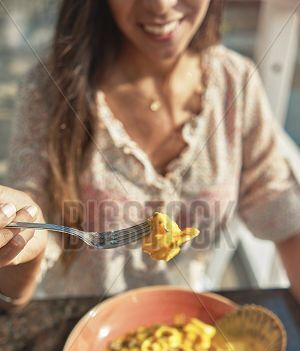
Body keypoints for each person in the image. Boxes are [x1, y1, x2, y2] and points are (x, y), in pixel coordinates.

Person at [0, 0, 300, 311]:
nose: (161, 6)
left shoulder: (235, 83)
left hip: (183, 321)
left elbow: (284, 211)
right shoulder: (47, 88)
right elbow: (15, 289)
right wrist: (19, 237)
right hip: (73, 320)